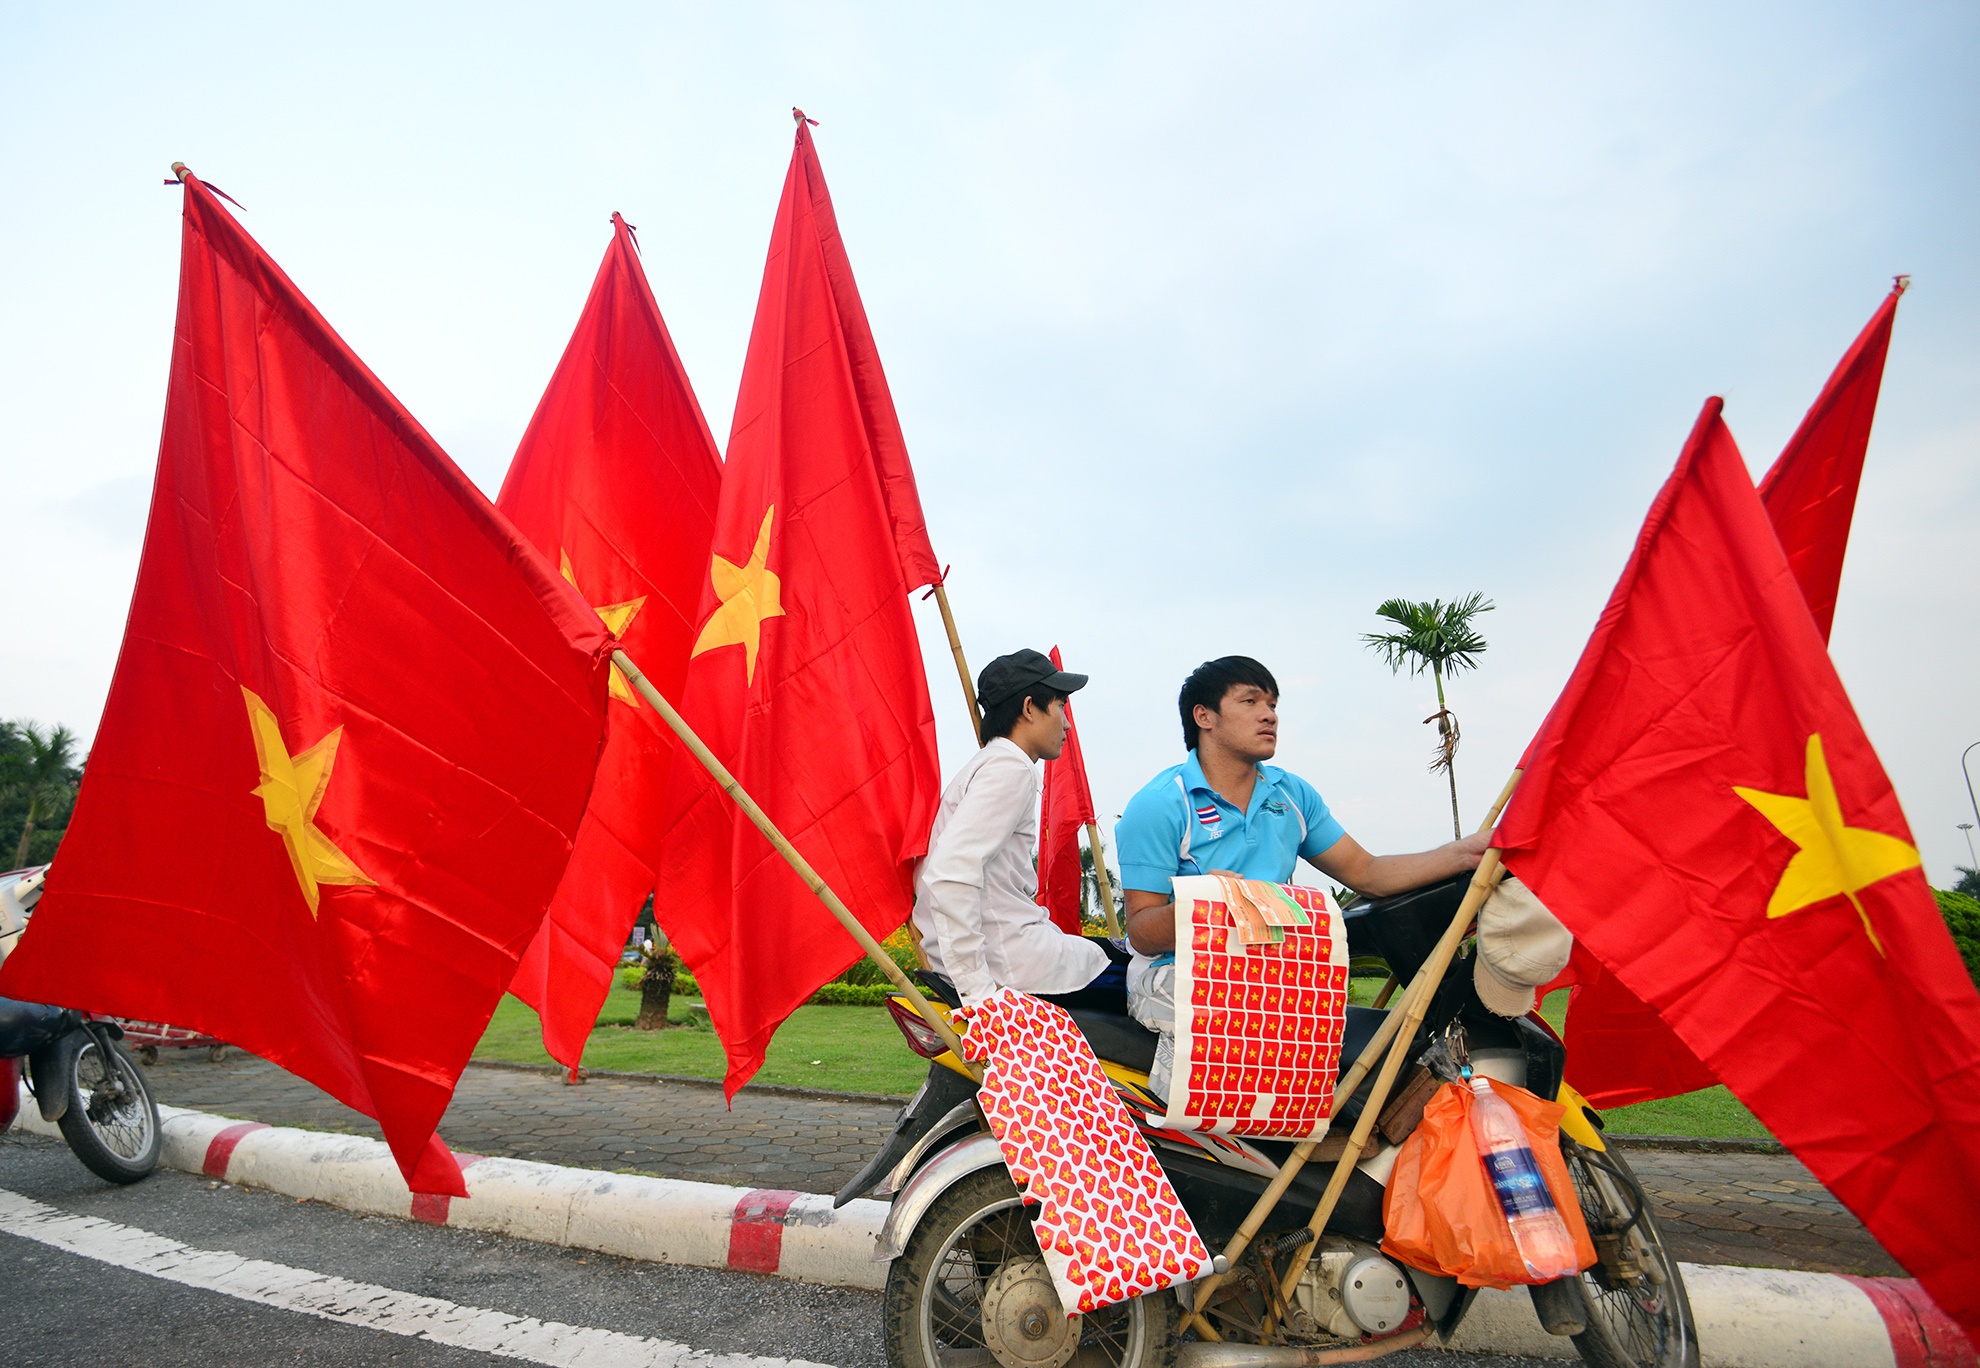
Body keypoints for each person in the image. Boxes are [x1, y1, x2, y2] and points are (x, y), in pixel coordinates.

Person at [1115, 655, 1489, 1096]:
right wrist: (1204, 901)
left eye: (1272, 704)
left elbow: (1367, 872)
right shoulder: (1160, 803)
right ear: (1204, 717)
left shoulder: (1290, 794)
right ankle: (1188, 1135)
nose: (1269, 714)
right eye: (1250, 701)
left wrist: (1463, 853)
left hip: (1270, 972)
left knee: (1398, 1049)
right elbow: (1140, 932)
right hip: (1177, 974)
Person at [912, 649, 1129, 1013]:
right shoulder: (1009, 769)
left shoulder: (989, 764)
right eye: (1059, 705)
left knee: (1117, 953)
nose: (1067, 724)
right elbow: (950, 875)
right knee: (1148, 978)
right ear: (1029, 708)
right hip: (1014, 965)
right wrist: (976, 992)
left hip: (1010, 951)